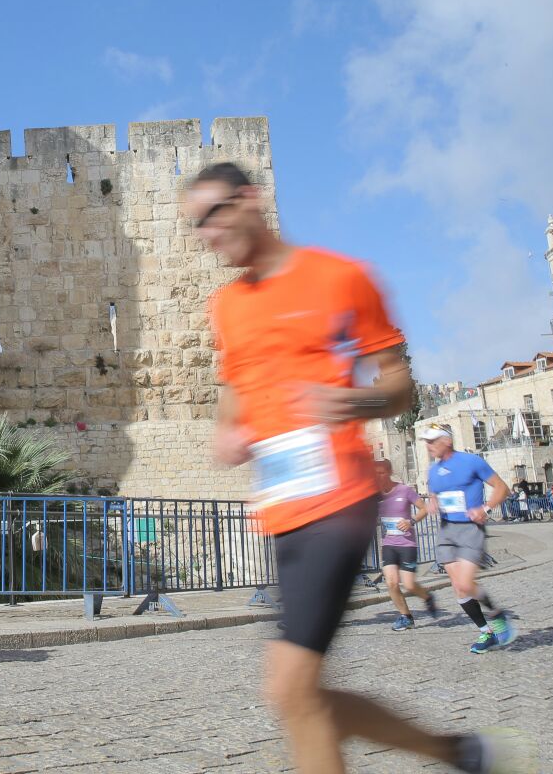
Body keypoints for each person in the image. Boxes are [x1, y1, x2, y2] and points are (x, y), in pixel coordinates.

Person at [188, 162, 529, 774]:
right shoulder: (227, 307)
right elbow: (234, 391)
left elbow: (399, 389)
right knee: (303, 698)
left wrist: (352, 400)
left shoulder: (341, 278)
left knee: (290, 686)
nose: (207, 232)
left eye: (215, 212)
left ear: (251, 198)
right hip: (283, 512)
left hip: (340, 499)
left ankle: (462, 753)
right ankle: (463, 753)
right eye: (197, 223)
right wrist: (229, 434)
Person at [421, 425, 517, 654]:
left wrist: (485, 508)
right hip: (446, 530)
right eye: (426, 441)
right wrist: (432, 502)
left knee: (465, 584)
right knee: (458, 587)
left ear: (447, 441)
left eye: (433, 441)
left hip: (470, 529)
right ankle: (487, 632)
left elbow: (502, 488)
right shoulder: (433, 471)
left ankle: (496, 614)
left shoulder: (471, 461)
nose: (429, 445)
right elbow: (434, 492)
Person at [375, 459, 437, 630]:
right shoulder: (376, 494)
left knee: (409, 584)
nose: (378, 476)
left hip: (407, 544)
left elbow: (424, 509)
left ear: (389, 472)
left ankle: (427, 597)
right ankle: (406, 616)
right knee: (391, 583)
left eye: (381, 473)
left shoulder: (404, 490)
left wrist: (411, 521)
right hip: (388, 544)